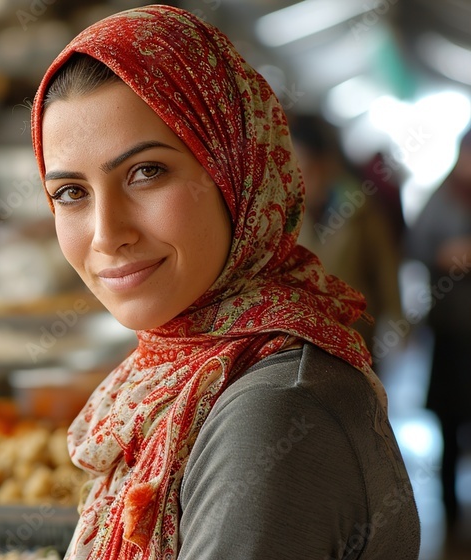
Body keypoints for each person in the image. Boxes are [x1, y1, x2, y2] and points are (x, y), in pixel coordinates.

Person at [30, 6, 419, 559]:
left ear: (237, 171)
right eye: (71, 192)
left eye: (147, 172)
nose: (106, 234)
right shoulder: (178, 373)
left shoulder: (276, 415)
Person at [291, 115, 403, 357]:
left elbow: (385, 268)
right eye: (294, 168)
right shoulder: (284, 213)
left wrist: (397, 323)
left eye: (307, 168)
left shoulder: (359, 208)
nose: (300, 178)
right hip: (301, 340)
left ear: (326, 164)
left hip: (357, 335)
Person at [408, 130, 471, 533]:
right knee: (450, 420)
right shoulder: (443, 194)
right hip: (452, 330)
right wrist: (448, 256)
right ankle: (449, 511)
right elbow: (414, 248)